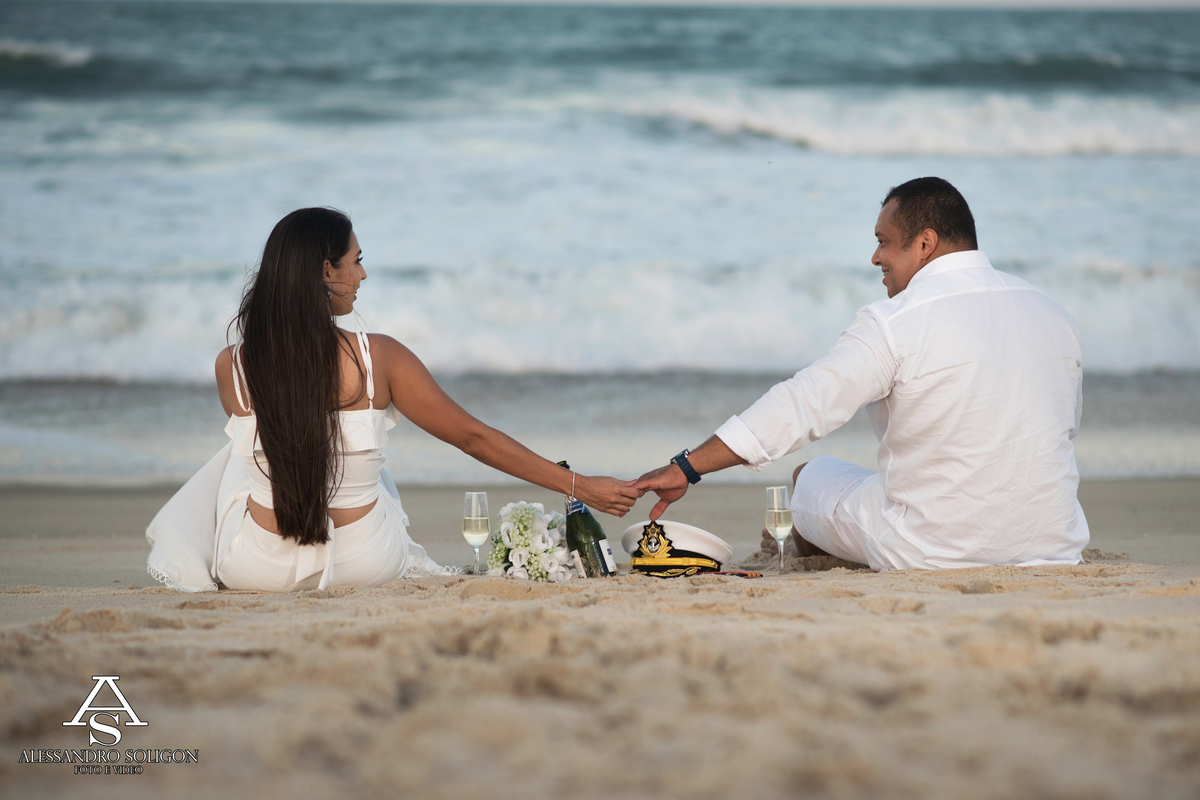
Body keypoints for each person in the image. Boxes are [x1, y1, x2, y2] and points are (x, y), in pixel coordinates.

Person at [148, 207, 640, 592]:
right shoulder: (378, 357)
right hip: (364, 563)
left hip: (255, 568)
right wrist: (577, 484)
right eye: (356, 260)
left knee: (243, 454)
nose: (362, 274)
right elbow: (472, 438)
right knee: (371, 470)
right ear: (326, 271)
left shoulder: (230, 365)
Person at [634, 178, 1089, 571]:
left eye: (884, 240)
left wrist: (687, 467)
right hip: (1053, 543)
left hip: (931, 549)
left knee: (808, 477)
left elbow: (803, 403)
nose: (875, 258)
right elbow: (1058, 425)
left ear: (925, 244)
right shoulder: (1052, 311)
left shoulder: (896, 321)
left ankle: (804, 550)